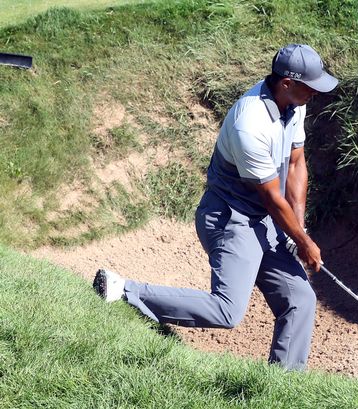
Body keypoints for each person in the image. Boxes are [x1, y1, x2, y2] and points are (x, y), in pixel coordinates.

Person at [93, 44, 339, 370]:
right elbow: (270, 196)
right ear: (287, 83)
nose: (316, 92)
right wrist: (303, 242)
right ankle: (123, 291)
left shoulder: (296, 104)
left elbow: (296, 165)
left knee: (301, 299)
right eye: (311, 85)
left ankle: (285, 384)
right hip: (230, 219)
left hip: (265, 219)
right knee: (228, 310)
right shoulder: (249, 125)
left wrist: (298, 229)